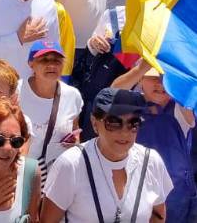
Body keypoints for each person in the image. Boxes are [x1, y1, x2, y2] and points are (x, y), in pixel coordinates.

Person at [41, 88, 172, 223]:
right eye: (114, 123)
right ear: (94, 123)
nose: (124, 132)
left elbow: (158, 216)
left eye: (133, 123)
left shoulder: (151, 161)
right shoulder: (71, 165)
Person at [112, 61, 197, 220]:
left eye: (166, 77)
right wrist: (143, 66)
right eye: (153, 77)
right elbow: (111, 93)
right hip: (135, 188)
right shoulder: (130, 105)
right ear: (140, 80)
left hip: (175, 194)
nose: (160, 83)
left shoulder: (181, 107)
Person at [18, 41, 82, 187]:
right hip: (21, 172)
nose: (52, 65)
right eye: (44, 60)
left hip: (56, 176)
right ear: (31, 64)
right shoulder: (16, 91)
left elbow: (75, 130)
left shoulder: (73, 95)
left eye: (57, 60)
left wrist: (74, 141)